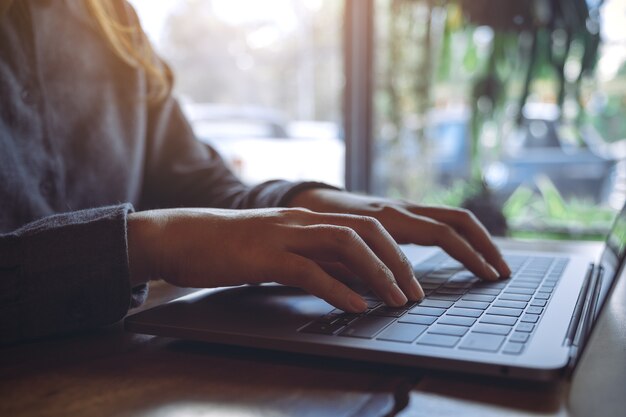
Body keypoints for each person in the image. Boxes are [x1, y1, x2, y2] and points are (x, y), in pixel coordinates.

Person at [0, 0, 510, 345]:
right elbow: (177, 232)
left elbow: (197, 184)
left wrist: (305, 203)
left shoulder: (112, 20)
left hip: (119, 374)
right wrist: (151, 244)